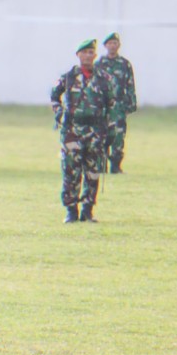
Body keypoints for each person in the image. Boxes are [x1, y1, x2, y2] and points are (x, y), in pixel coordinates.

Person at [51, 39, 115, 223]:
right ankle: (71, 210)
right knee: (71, 170)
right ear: (78, 55)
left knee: (93, 171)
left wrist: (110, 131)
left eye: (91, 52)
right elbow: (54, 96)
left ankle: (87, 210)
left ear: (95, 55)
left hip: (95, 131)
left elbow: (111, 106)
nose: (88, 55)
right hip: (72, 130)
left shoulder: (104, 79)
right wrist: (59, 113)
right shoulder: (68, 77)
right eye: (84, 52)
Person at [95, 32, 137, 174]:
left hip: (118, 106)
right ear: (105, 46)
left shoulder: (124, 64)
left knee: (118, 136)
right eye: (110, 43)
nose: (112, 46)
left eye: (115, 43)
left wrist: (131, 103)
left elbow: (130, 84)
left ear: (118, 45)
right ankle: (101, 166)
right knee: (102, 135)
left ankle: (116, 166)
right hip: (103, 106)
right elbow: (93, 84)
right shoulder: (99, 64)